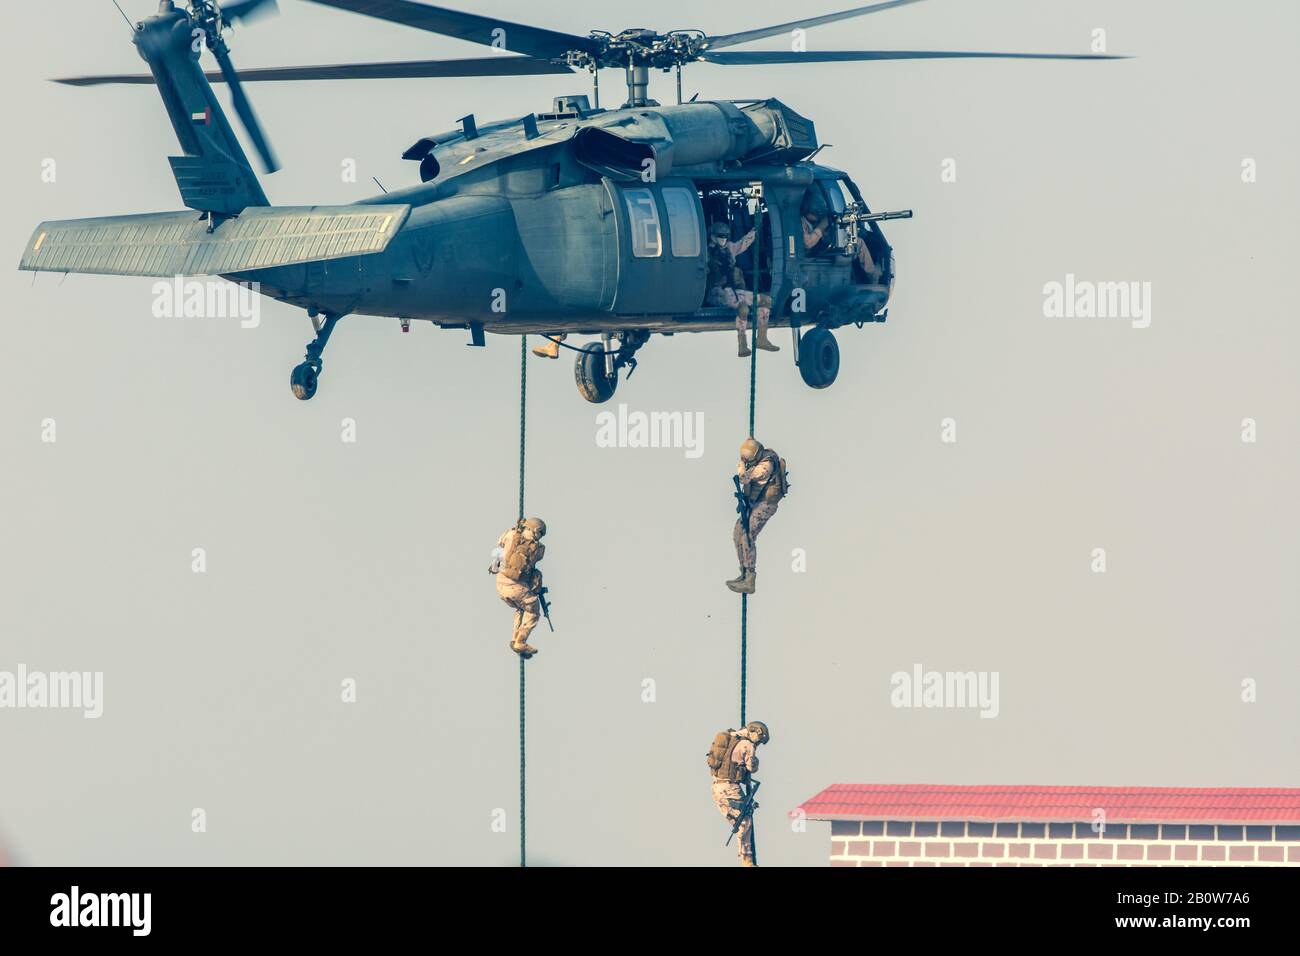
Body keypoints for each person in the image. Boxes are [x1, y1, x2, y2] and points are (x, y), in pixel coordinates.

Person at [705, 220, 777, 358]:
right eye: (720, 236)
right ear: (713, 236)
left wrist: (755, 230)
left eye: (725, 236)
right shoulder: (705, 253)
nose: (723, 239)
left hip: (732, 290)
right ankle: (742, 344)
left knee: (766, 300)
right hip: (716, 292)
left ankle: (761, 338)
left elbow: (743, 243)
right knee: (743, 308)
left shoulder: (730, 248)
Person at [728, 437, 788, 595]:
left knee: (747, 536)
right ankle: (743, 571)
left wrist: (741, 467)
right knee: (737, 534)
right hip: (755, 502)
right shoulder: (757, 461)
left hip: (766, 504)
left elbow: (744, 478)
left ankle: (750, 579)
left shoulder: (765, 466)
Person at [708, 721, 770, 867]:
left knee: (740, 819)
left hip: (717, 788)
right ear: (755, 733)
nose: (759, 743)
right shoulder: (747, 745)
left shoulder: (733, 737)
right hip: (729, 788)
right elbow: (752, 767)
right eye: (759, 740)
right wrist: (755, 759)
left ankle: (744, 857)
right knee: (745, 820)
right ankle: (746, 860)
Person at [490, 517, 548, 656]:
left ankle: (515, 639)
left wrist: (494, 564)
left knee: (521, 608)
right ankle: (520, 641)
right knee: (533, 609)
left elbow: (499, 546)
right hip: (514, 585)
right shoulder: (538, 549)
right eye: (540, 533)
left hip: (500, 582)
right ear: (536, 530)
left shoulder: (510, 534)